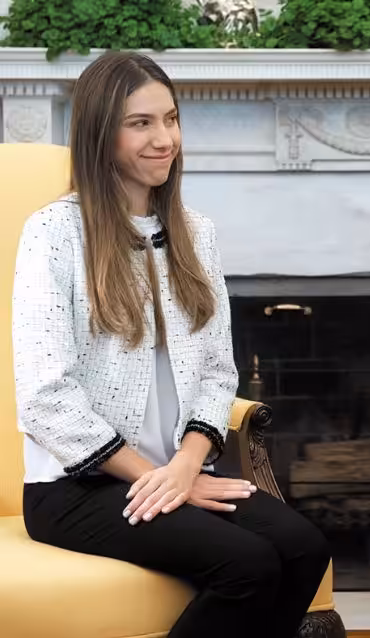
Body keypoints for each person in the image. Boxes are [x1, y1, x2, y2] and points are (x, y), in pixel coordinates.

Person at [12, 51, 329, 638]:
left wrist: (185, 465)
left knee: (305, 545)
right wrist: (155, 477)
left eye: (172, 119)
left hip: (174, 470)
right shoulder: (54, 233)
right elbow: (46, 396)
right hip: (76, 489)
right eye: (142, 124)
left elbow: (215, 370)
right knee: (248, 564)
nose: (165, 139)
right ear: (100, 133)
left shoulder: (194, 231)